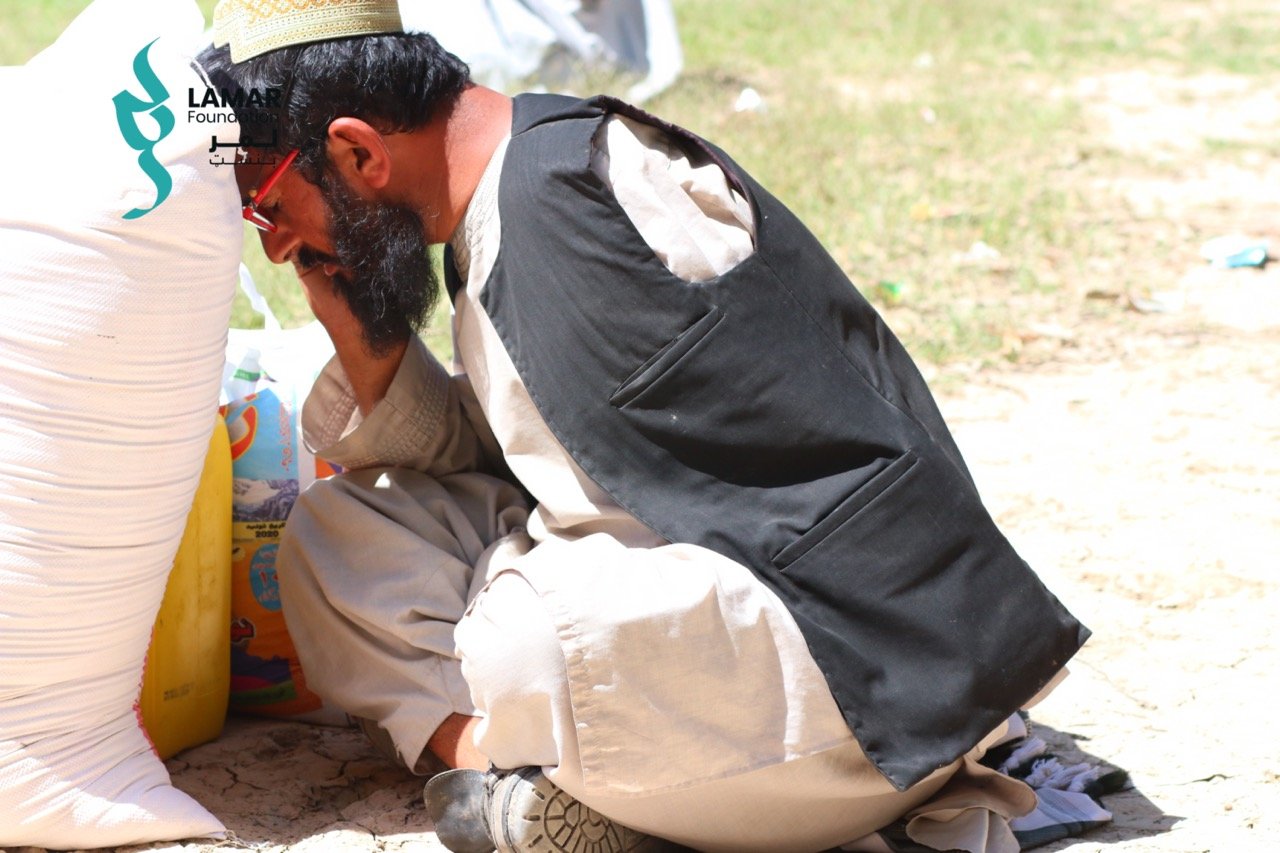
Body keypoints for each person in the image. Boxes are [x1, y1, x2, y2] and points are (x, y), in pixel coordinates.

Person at [199, 3, 1088, 851]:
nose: (276, 247)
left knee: (531, 632)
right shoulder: (492, 207)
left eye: (267, 205)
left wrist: (519, 576)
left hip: (866, 668)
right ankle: (523, 779)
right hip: (690, 623)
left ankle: (597, 789)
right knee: (336, 534)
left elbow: (758, 478)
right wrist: (369, 343)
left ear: (357, 152)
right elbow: (525, 451)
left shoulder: (592, 194)